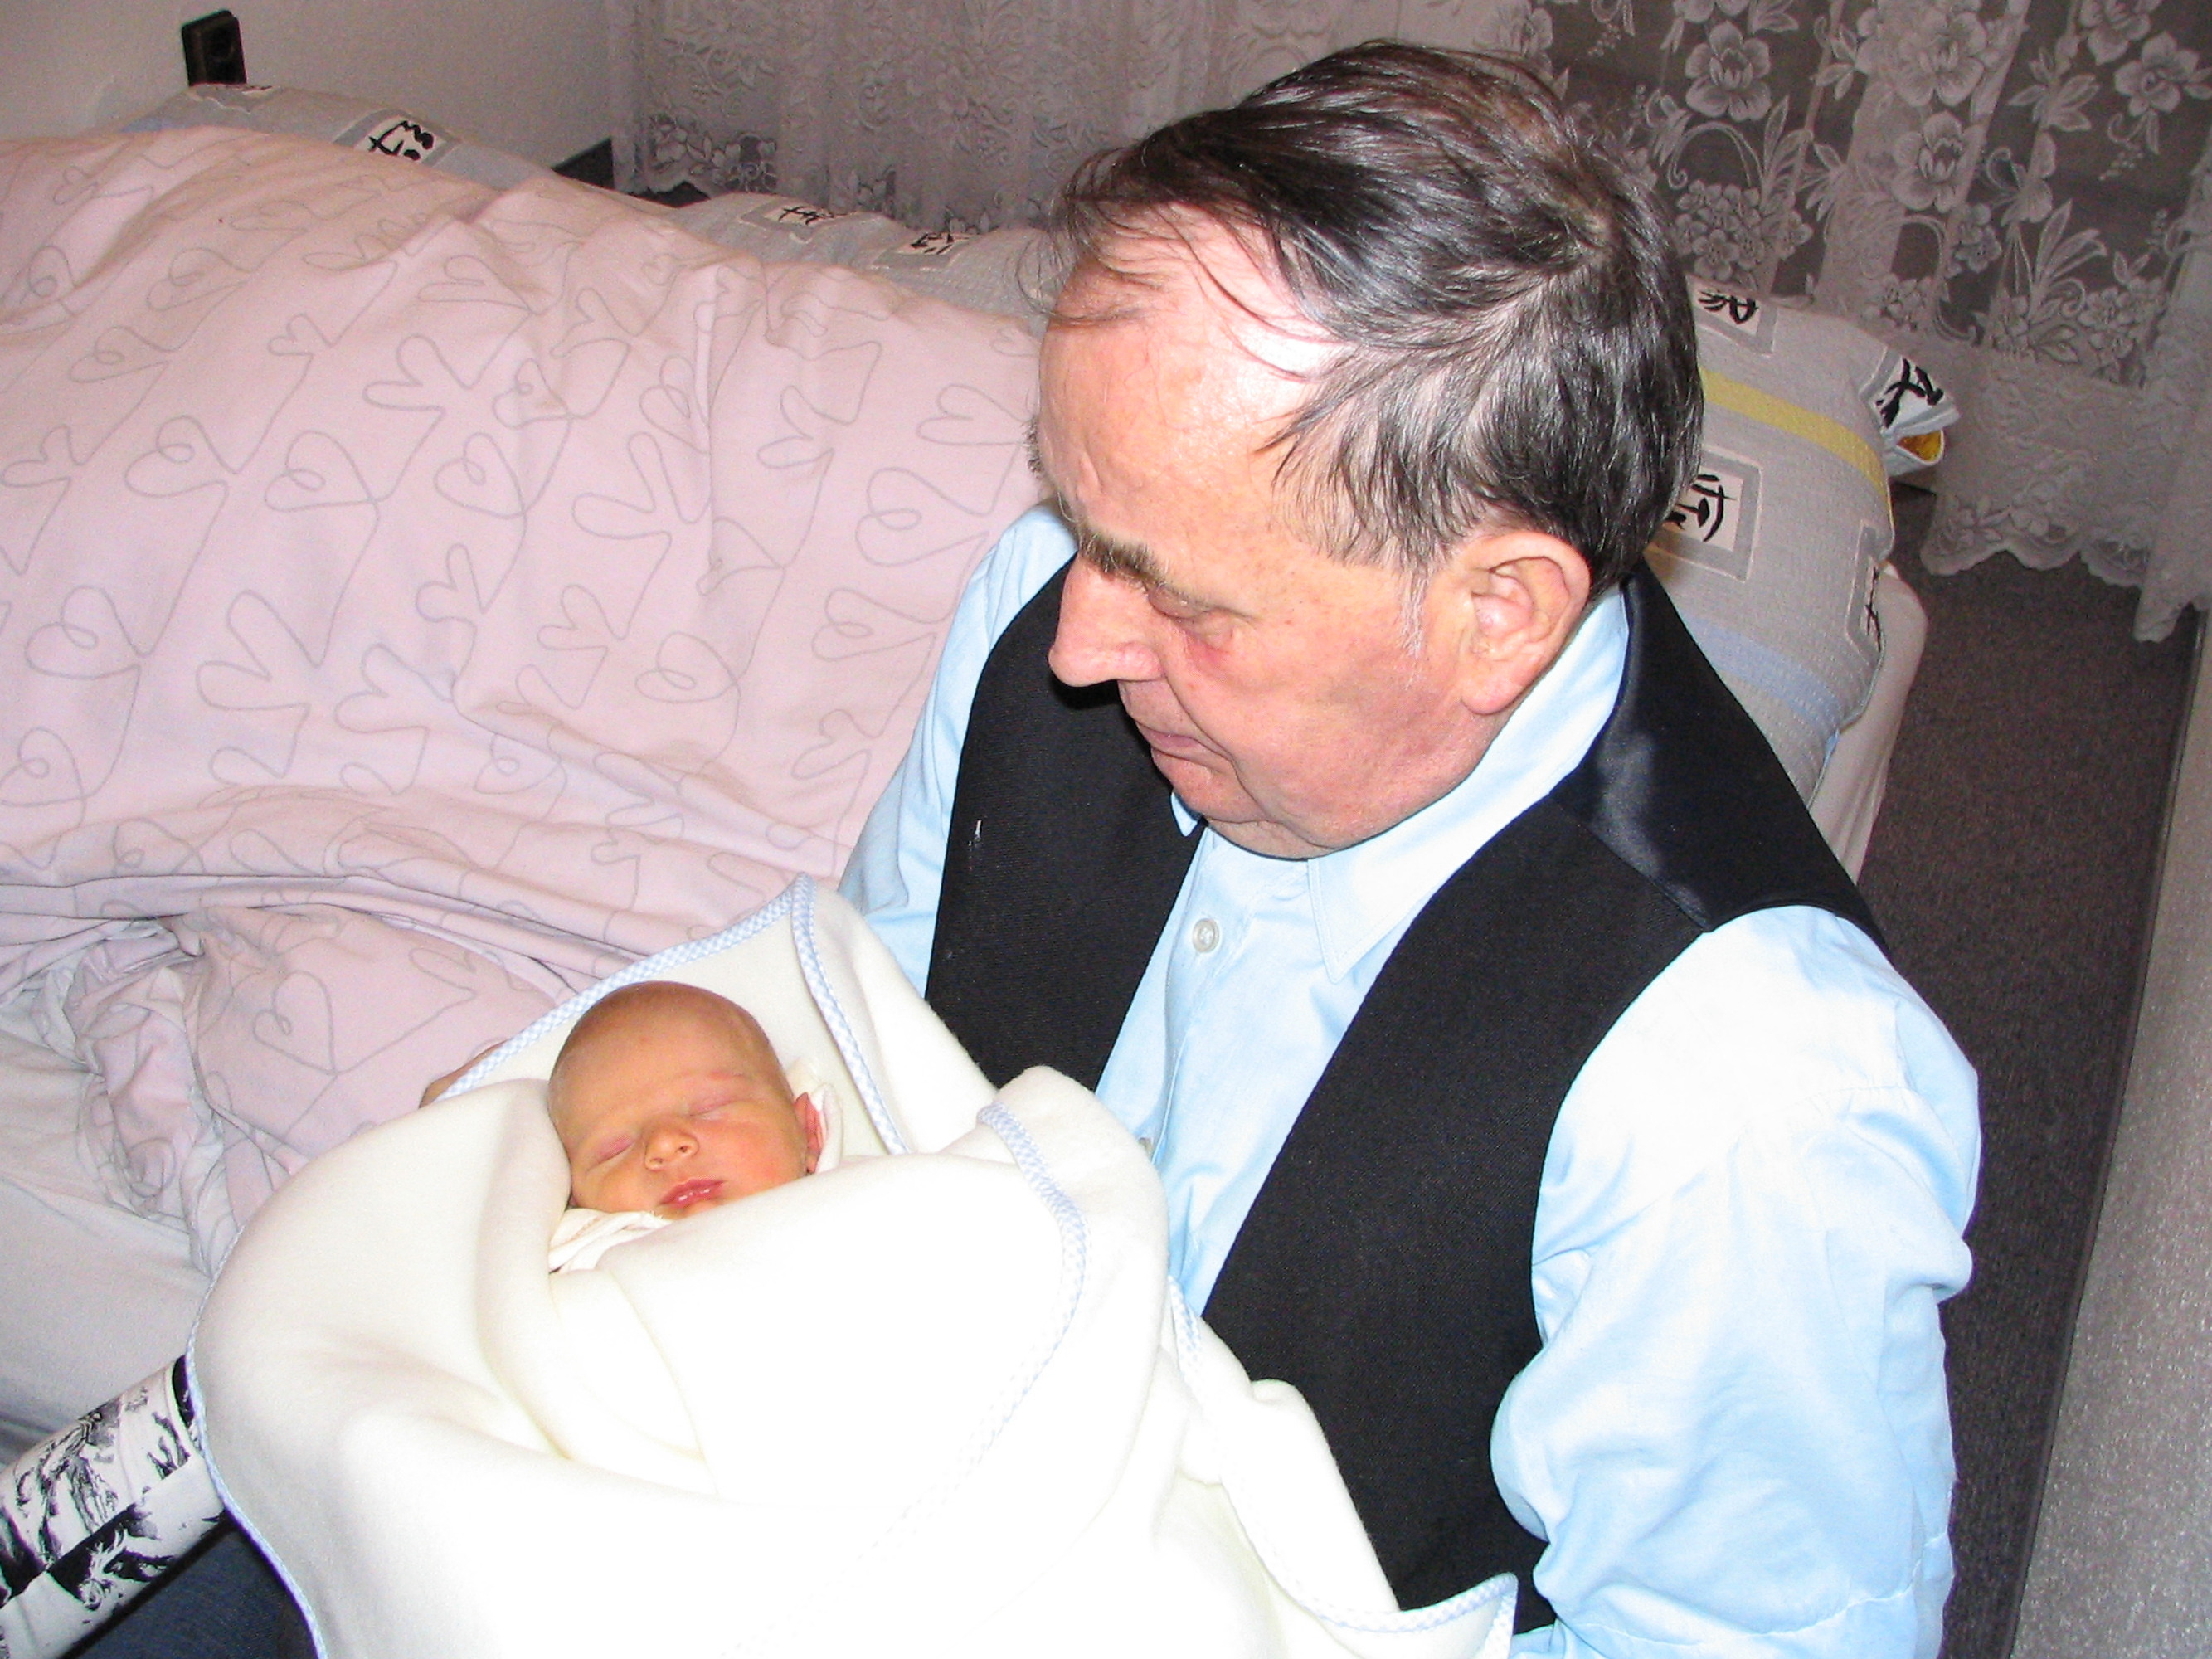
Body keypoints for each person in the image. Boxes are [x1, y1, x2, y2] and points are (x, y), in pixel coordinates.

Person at [842, 40, 1978, 1659]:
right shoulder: (1047, 595)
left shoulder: (1744, 1100)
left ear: (1495, 613)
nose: (1076, 640)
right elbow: (872, 1021)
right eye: (1085, 521)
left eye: (1185, 597)